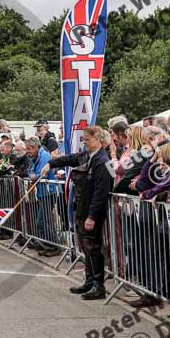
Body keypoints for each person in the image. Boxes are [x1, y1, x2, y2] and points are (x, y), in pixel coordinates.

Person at [43, 126, 113, 300]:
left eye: (87, 139)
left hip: (92, 211)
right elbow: (70, 158)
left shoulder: (103, 161)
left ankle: (98, 285)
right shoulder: (87, 156)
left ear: (98, 139)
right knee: (86, 248)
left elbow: (101, 192)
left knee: (94, 248)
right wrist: (50, 163)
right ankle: (89, 281)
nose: (84, 142)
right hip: (81, 207)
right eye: (84, 139)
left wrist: (92, 216)